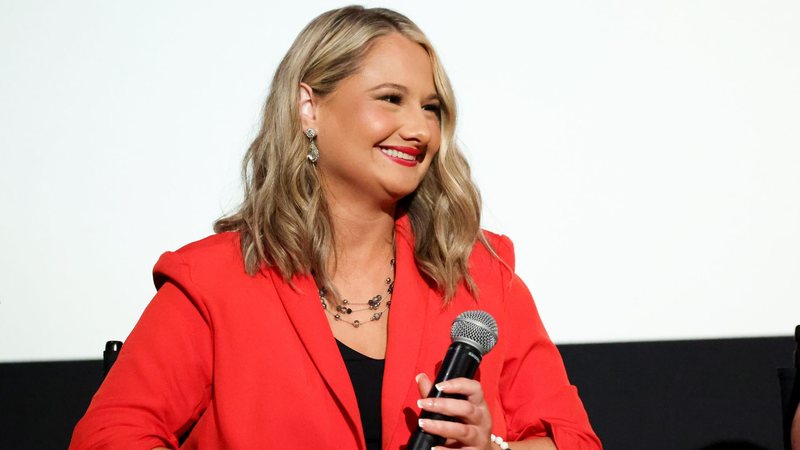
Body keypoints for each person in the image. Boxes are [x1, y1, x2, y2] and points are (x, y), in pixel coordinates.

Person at [69, 6, 601, 450]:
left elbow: (574, 439)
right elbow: (110, 437)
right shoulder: (212, 281)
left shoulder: (480, 273)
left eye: (431, 108)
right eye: (391, 99)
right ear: (310, 108)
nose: (419, 129)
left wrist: (491, 449)